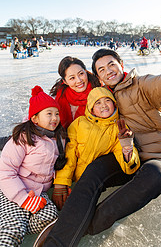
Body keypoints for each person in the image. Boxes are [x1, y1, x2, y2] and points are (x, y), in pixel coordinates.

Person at [40, 28, 161, 247]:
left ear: (121, 65)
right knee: (93, 171)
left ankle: (84, 226)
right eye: (101, 69)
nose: (108, 71)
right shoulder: (102, 95)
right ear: (98, 75)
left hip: (152, 154)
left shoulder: (142, 85)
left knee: (158, 178)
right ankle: (56, 241)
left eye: (111, 65)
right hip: (117, 153)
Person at [34, 87, 140, 246]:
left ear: (114, 104)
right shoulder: (79, 124)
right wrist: (61, 182)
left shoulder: (117, 128)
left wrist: (127, 148)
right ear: (91, 107)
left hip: (88, 184)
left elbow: (127, 165)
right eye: (98, 103)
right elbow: (68, 155)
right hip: (71, 181)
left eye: (107, 101)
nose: (104, 105)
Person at [0, 85, 69, 247]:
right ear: (35, 118)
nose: (55, 118)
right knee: (13, 228)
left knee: (51, 217)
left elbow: (57, 166)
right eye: (49, 114)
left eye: (57, 113)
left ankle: (16, 222)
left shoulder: (59, 138)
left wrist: (63, 184)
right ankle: (9, 223)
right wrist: (23, 199)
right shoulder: (23, 138)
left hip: (38, 193)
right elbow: (5, 171)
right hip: (13, 190)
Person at [50, 56, 101, 129]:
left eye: (81, 74)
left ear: (85, 71)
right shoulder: (60, 97)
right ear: (65, 82)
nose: (79, 80)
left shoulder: (100, 93)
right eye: (72, 78)